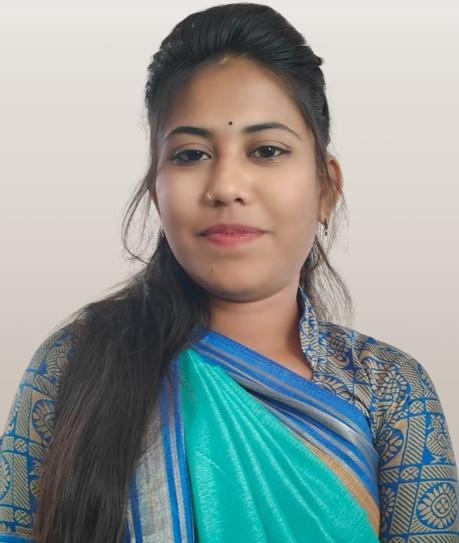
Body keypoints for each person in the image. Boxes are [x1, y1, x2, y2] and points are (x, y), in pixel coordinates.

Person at [0, 3, 458, 542]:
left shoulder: (388, 390)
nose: (225, 186)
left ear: (325, 188)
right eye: (191, 155)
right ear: (157, 192)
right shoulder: (76, 362)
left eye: (267, 150)